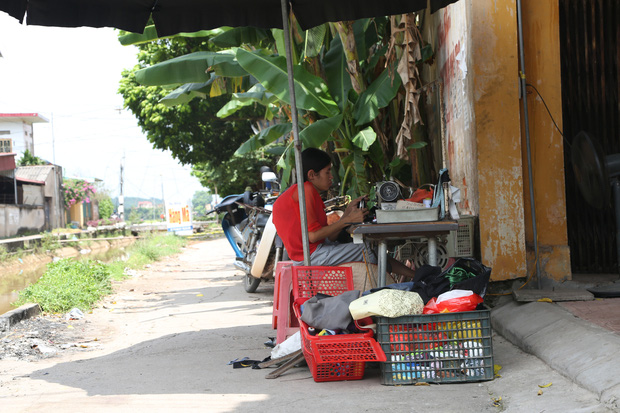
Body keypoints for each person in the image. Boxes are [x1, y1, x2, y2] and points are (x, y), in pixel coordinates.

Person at [272, 147, 415, 279]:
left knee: (371, 248)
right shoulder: (306, 191)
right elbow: (314, 236)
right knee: (365, 249)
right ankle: (379, 290)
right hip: (309, 258)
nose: (331, 177)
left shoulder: (305, 192)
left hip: (311, 253)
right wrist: (346, 221)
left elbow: (331, 237)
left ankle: (414, 275)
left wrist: (347, 215)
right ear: (312, 175)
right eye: (327, 172)